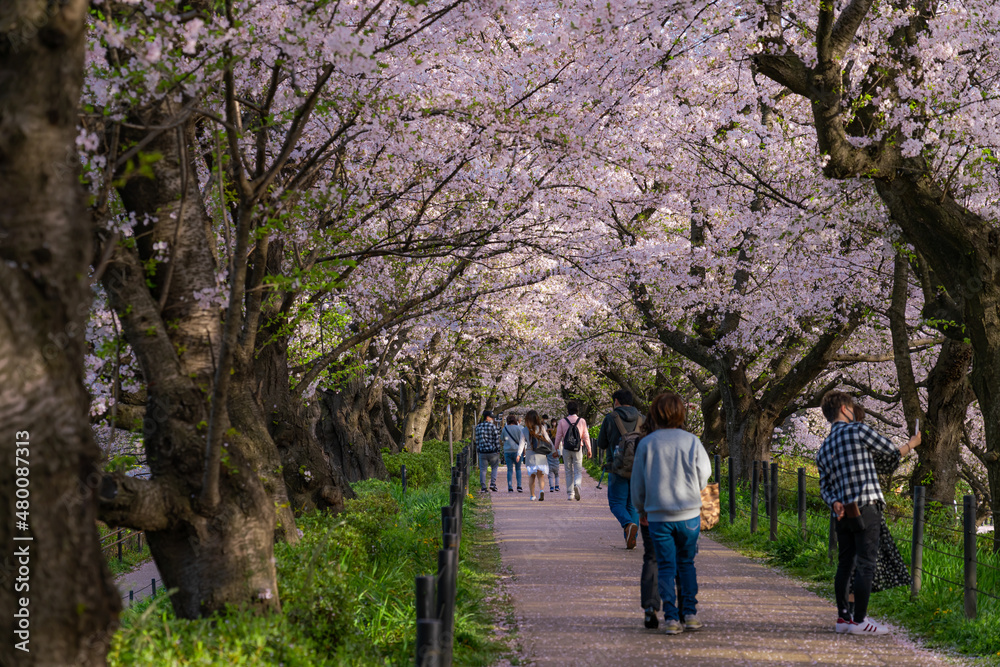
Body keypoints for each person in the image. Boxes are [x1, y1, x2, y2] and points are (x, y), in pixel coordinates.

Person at [816, 391, 921, 636]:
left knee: (845, 564)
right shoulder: (857, 431)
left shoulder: (823, 449)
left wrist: (834, 503)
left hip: (842, 514)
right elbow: (890, 451)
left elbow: (825, 487)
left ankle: (843, 618)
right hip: (866, 505)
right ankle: (860, 620)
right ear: (844, 409)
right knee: (866, 563)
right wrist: (912, 444)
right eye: (851, 407)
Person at [632, 392, 711, 635]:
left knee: (665, 565)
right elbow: (704, 474)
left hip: (658, 515)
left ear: (654, 414)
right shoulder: (691, 441)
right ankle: (690, 614)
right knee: (686, 563)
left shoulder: (647, 443)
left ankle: (671, 619)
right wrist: (692, 490)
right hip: (688, 513)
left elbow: (638, 483)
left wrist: (641, 507)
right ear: (681, 413)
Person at [596, 389, 643, 549]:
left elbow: (601, 443)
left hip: (617, 466)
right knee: (633, 504)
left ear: (616, 401)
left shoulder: (610, 418)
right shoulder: (642, 418)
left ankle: (628, 524)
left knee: (616, 502)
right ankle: (632, 537)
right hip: (638, 468)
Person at [554, 401, 592, 501]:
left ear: (568, 410)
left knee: (568, 471)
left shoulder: (562, 421)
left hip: (566, 448)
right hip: (578, 448)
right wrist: (589, 449)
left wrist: (556, 448)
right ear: (577, 410)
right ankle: (577, 485)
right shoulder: (582, 421)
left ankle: (570, 494)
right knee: (578, 470)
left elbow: (558, 436)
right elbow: (586, 436)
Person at [523, 410, 552, 501]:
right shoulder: (541, 428)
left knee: (532, 476)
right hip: (541, 454)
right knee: (541, 475)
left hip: (530, 454)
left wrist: (518, 455)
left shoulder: (524, 429)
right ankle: (542, 490)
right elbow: (548, 440)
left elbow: (521, 444)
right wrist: (554, 450)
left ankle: (532, 495)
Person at [474, 410, 502, 493]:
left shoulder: (478, 427)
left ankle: (483, 487)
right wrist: (498, 449)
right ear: (487, 417)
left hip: (482, 452)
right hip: (492, 451)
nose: (492, 419)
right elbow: (496, 439)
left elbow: (477, 440)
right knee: (494, 467)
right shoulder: (492, 427)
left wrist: (478, 450)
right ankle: (493, 484)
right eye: (491, 417)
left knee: (483, 469)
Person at [501, 414, 527, 493]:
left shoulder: (505, 429)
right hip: (517, 451)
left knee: (509, 469)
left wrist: (505, 444)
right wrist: (524, 451)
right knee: (518, 469)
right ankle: (519, 486)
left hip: (507, 451)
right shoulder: (519, 428)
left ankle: (510, 486)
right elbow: (522, 441)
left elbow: (501, 439)